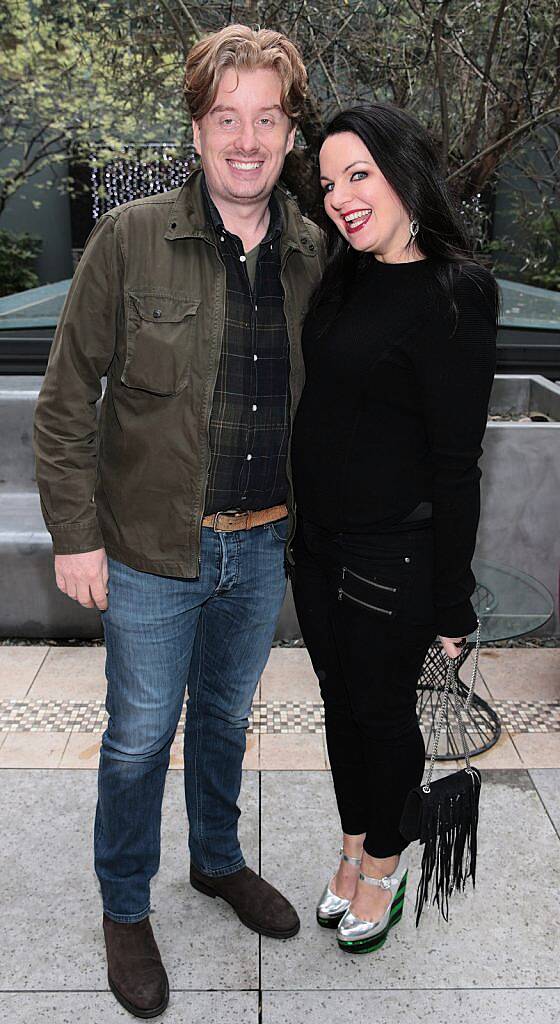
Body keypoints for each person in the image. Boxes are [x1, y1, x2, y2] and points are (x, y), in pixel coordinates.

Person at [33, 25, 323, 1018]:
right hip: (156, 548)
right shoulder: (129, 238)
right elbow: (66, 400)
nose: (246, 139)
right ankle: (124, 904)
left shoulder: (313, 255)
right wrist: (75, 534)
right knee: (137, 737)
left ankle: (214, 860)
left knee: (226, 722)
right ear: (196, 129)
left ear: (289, 135)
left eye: (267, 119)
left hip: (265, 538)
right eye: (226, 118)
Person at [290, 102, 498, 954]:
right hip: (319, 548)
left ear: (403, 171)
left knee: (382, 717)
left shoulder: (457, 292)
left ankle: (384, 860)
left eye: (358, 175)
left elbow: (457, 463)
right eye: (330, 182)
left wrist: (452, 605)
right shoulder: (345, 273)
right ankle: (350, 846)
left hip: (392, 557)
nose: (340, 196)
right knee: (342, 708)